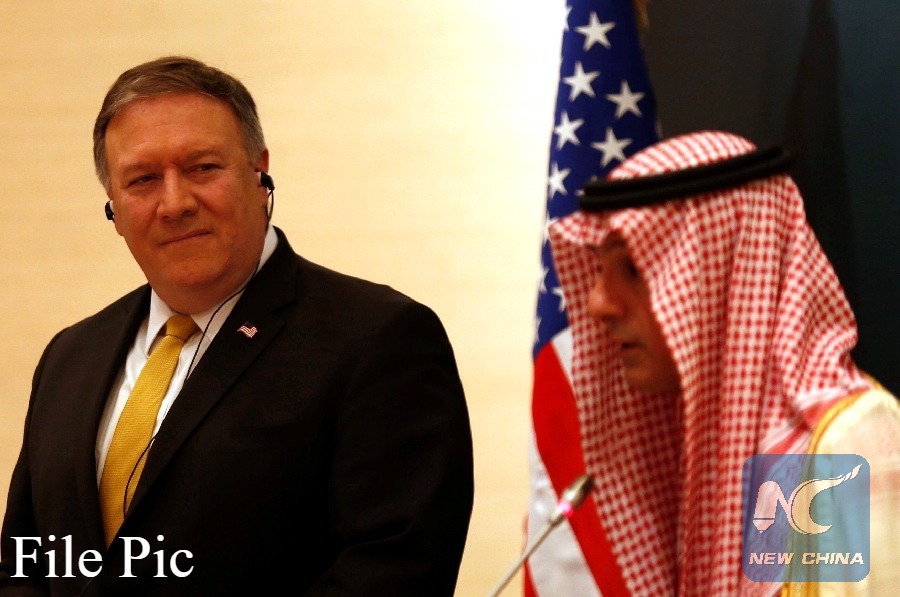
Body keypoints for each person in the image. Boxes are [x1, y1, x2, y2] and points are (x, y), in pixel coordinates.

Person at [0, 55, 474, 596]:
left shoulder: (379, 339)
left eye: (202, 168)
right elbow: (25, 564)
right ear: (114, 206)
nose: (174, 203)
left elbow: (393, 573)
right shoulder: (70, 356)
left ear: (259, 173)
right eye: (143, 179)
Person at [547, 130, 899, 595]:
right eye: (599, 269)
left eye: (633, 268)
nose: (598, 304)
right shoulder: (696, 448)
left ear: (728, 274)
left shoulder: (842, 447)